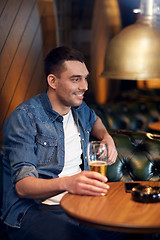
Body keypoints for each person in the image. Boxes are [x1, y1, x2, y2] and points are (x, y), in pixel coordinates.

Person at [2, 46, 127, 240]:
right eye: (76, 79)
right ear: (52, 81)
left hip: (79, 204)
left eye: (85, 78)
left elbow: (95, 121)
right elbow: (23, 187)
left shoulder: (79, 107)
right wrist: (69, 183)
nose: (85, 86)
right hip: (34, 210)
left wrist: (106, 137)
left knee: (134, 230)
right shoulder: (24, 118)